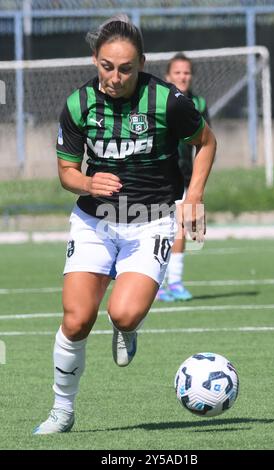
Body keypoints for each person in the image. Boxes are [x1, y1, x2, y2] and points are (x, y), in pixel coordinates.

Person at [33, 15, 216, 435]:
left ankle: (126, 329)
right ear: (95, 60)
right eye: (107, 66)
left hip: (150, 222)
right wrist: (87, 181)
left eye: (126, 68)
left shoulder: (168, 100)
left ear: (142, 63)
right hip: (94, 222)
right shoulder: (78, 104)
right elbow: (66, 173)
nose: (115, 77)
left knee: (125, 313)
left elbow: (206, 143)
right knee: (77, 320)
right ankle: (62, 411)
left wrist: (194, 198)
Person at [156, 53, 211, 302]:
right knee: (169, 229)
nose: (182, 76)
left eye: (186, 72)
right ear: (168, 76)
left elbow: (206, 142)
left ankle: (172, 283)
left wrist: (199, 184)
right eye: (177, 72)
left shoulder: (198, 103)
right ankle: (161, 283)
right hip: (161, 175)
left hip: (186, 175)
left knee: (185, 228)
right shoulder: (159, 102)